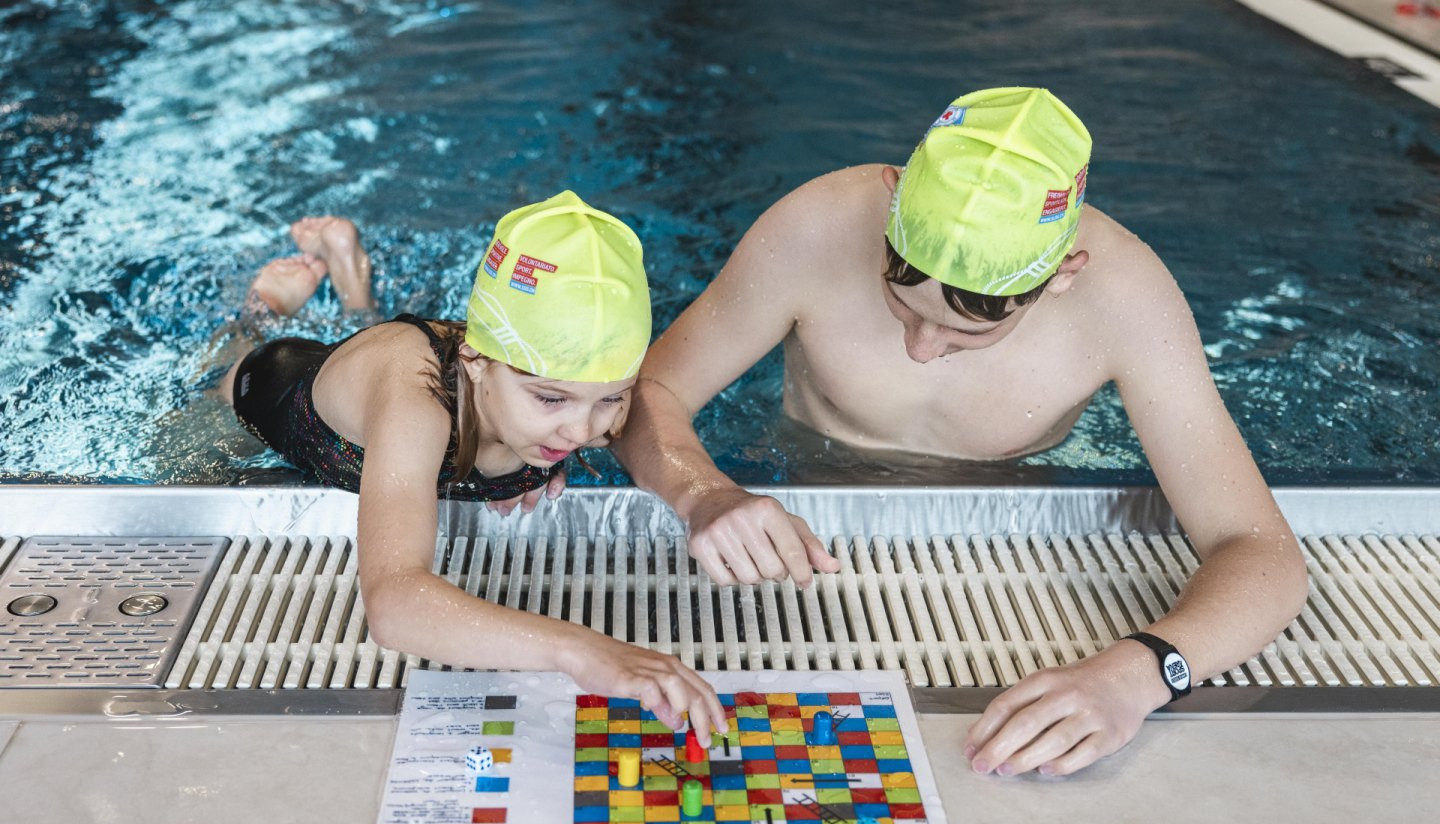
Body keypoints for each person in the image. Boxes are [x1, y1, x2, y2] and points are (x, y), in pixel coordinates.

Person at [611, 87, 1308, 775]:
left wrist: (1141, 671)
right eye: (901, 302)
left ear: (1062, 275)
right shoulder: (817, 227)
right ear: (891, 201)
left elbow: (1262, 551)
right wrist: (701, 491)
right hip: (800, 491)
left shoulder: (1126, 300)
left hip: (1003, 530)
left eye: (967, 330)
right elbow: (644, 392)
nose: (919, 348)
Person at [220, 192, 726, 743]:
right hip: (279, 385)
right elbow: (393, 606)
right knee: (225, 365)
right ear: (476, 365)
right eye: (551, 400)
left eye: (612, 399)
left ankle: (351, 279)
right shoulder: (416, 405)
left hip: (398, 385)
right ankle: (267, 301)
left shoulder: (546, 398)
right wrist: (581, 649)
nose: (583, 433)